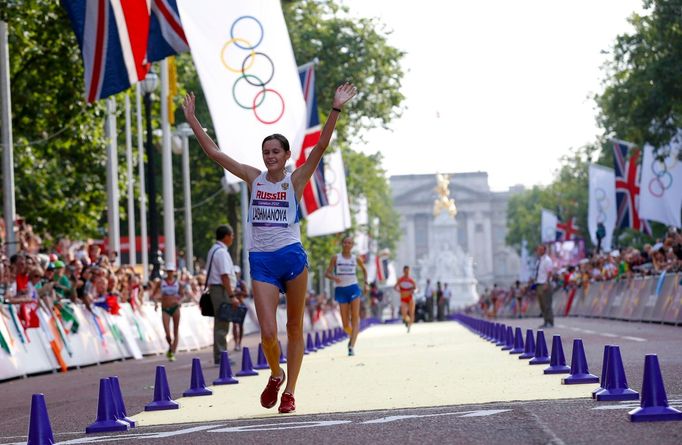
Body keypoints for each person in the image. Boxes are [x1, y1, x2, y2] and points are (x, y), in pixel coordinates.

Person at [183, 81, 357, 414]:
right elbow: (215, 154)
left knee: (293, 327)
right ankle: (275, 374)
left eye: (276, 151)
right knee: (267, 331)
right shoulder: (253, 177)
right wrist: (193, 121)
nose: (271, 156)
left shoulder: (296, 179)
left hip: (291, 257)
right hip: (261, 261)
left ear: (287, 155)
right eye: (266, 152)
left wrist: (335, 108)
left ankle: (290, 391)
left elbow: (320, 147)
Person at [325, 235, 368, 356]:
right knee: (345, 323)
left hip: (354, 288)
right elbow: (327, 273)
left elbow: (364, 270)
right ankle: (353, 334)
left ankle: (351, 345)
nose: (347, 245)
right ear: (342, 244)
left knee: (355, 317)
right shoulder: (336, 258)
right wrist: (334, 277)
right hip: (341, 290)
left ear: (352, 245)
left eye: (349, 243)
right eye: (345, 242)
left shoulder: (356, 259)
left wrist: (366, 284)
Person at [205, 225, 237, 365]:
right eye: (232, 235)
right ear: (226, 236)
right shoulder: (221, 252)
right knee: (222, 323)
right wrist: (231, 296)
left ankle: (220, 354)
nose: (233, 238)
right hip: (221, 290)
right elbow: (225, 276)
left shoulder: (214, 250)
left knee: (220, 323)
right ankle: (221, 356)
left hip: (217, 289)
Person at [153, 264, 184, 361]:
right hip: (165, 308)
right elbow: (154, 294)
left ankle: (173, 351)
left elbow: (182, 295)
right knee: (167, 332)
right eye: (168, 271)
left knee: (175, 329)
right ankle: (170, 346)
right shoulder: (161, 282)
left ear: (174, 272)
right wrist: (156, 303)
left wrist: (179, 301)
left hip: (175, 308)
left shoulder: (178, 283)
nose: (170, 273)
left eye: (171, 271)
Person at [534, 244, 554, 328]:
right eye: (537, 249)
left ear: (543, 250)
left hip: (545, 284)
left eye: (540, 250)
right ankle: (545, 321)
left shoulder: (547, 260)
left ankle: (550, 321)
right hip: (539, 283)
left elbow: (549, 272)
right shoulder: (539, 261)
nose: (538, 251)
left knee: (547, 304)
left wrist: (546, 283)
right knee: (542, 304)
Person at [394, 265, 417, 332]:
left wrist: (413, 291)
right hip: (403, 298)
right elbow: (395, 287)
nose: (407, 272)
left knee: (411, 313)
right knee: (404, 314)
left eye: (408, 271)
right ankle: (407, 320)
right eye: (405, 271)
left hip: (410, 298)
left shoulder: (411, 280)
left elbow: (416, 289)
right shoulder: (400, 280)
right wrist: (400, 291)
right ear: (403, 271)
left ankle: (409, 327)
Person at [231, 265, 248, 351]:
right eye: (234, 273)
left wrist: (239, 292)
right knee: (234, 325)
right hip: (233, 306)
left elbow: (246, 294)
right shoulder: (230, 283)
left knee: (240, 325)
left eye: (236, 273)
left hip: (241, 305)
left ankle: (239, 342)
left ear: (239, 273)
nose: (235, 274)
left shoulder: (241, 283)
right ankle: (235, 343)